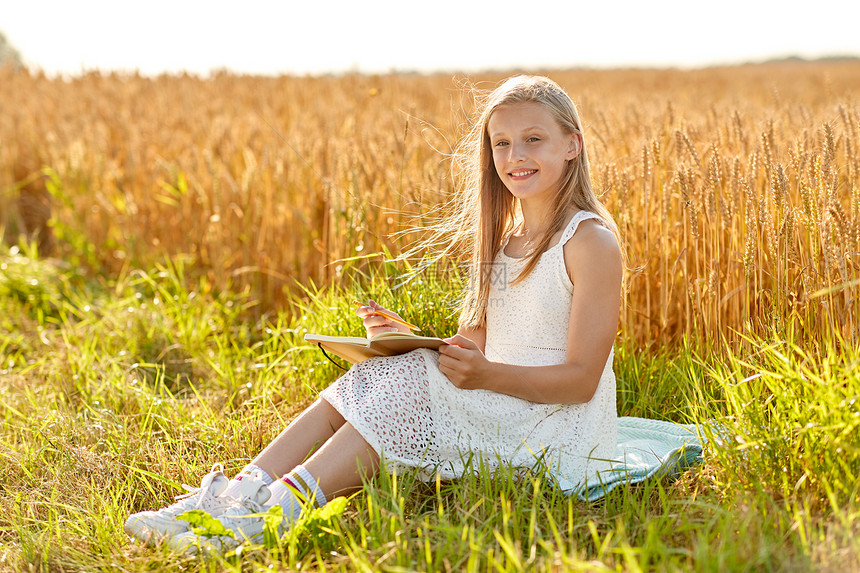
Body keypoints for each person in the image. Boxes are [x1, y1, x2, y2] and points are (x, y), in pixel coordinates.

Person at [124, 74, 623, 553]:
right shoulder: (501, 238)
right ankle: (238, 493)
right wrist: (407, 342)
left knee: (408, 380)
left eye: (533, 139)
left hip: (557, 426)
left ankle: (277, 511)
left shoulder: (589, 243)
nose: (515, 156)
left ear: (572, 144)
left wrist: (484, 375)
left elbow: (581, 381)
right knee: (391, 368)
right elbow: (471, 345)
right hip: (503, 399)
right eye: (501, 143)